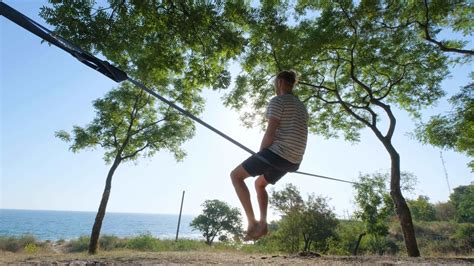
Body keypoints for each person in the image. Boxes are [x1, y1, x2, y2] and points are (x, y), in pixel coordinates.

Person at [230, 70, 309, 241]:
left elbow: (270, 133)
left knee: (236, 176)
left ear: (280, 82)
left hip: (277, 154)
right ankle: (263, 225)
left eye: (275, 82)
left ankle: (252, 224)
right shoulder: (302, 107)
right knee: (259, 184)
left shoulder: (278, 101)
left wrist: (261, 155)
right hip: (293, 161)